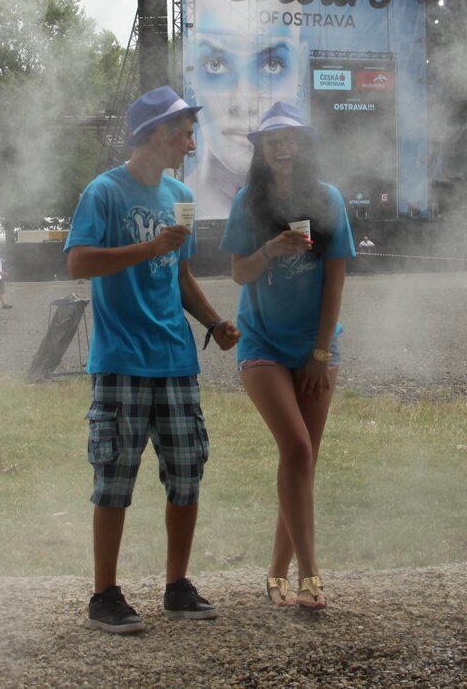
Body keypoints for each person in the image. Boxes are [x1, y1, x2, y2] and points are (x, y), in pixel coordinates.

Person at [65, 85, 240, 635]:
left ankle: (177, 586)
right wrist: (150, 247)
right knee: (114, 479)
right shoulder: (103, 192)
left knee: (187, 473)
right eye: (186, 133)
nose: (192, 143)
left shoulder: (179, 193)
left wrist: (213, 322)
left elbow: (180, 275)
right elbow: (78, 263)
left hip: (176, 360)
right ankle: (104, 596)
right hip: (121, 360)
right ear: (159, 134)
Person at [220, 102, 355, 612]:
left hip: (317, 346)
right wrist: (269, 251)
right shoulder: (247, 202)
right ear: (260, 150)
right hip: (262, 342)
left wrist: (321, 352)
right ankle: (310, 575)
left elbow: (335, 278)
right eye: (271, 140)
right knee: (297, 449)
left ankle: (276, 572)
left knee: (301, 461)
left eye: (289, 138)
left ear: (303, 145)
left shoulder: (327, 199)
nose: (281, 147)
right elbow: (239, 273)